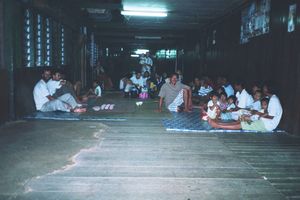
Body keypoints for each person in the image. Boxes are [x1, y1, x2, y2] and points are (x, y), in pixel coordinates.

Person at [208, 82, 283, 132]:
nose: (263, 88)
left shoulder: (273, 100)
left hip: (267, 125)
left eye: (265, 87)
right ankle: (219, 124)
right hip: (263, 121)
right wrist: (256, 114)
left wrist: (257, 114)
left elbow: (271, 117)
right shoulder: (272, 98)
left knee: (242, 124)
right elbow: (267, 112)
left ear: (268, 89)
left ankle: (218, 125)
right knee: (242, 121)